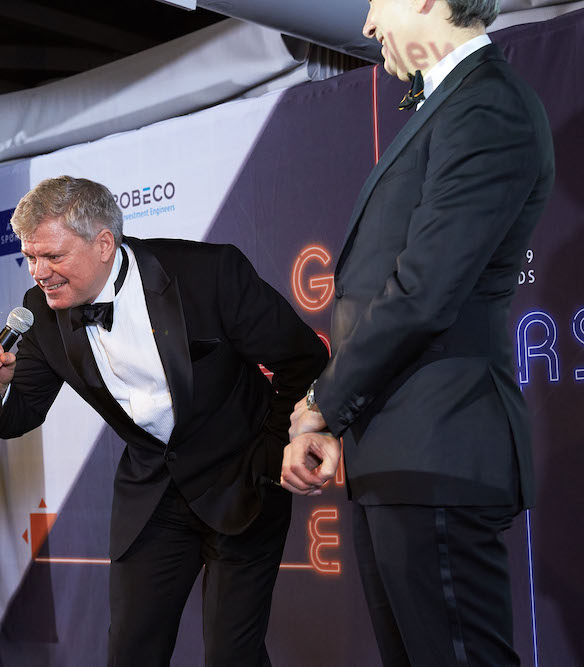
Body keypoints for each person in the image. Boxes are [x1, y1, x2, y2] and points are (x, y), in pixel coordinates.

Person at [281, 1, 555, 665]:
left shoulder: (487, 105)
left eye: (379, 1)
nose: (368, 25)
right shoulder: (452, 104)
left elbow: (423, 291)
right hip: (401, 455)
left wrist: (322, 402)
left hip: (440, 448)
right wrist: (336, 417)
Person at [0, 176, 327, 666]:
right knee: (131, 652)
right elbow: (19, 414)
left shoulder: (207, 273)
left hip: (242, 479)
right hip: (154, 494)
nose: (38, 273)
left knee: (231, 656)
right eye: (29, 257)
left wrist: (271, 452)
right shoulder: (39, 312)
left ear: (103, 244)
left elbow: (303, 361)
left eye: (52, 256)